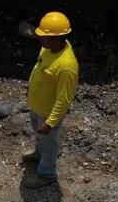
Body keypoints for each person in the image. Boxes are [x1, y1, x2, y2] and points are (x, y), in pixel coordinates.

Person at [22, 12, 79, 188]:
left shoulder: (67, 66)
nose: (40, 38)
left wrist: (50, 123)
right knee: (39, 134)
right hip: (36, 104)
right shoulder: (49, 47)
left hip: (48, 112)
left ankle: (47, 173)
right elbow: (40, 66)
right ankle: (40, 152)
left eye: (44, 36)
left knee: (49, 141)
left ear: (57, 38)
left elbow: (64, 99)